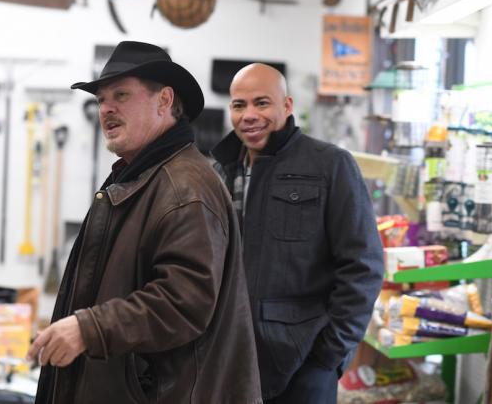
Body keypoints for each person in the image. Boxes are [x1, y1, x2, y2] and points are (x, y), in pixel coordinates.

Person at [28, 41, 262, 404]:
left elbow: (184, 302)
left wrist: (88, 330)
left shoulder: (184, 188)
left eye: (121, 95)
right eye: (101, 99)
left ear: (164, 100)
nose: (106, 108)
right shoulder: (143, 176)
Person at [212, 63, 384, 403]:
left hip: (305, 363)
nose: (249, 115)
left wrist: (329, 355)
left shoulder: (330, 165)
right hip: (232, 357)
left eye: (261, 103)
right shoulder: (221, 170)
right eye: (239, 105)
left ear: (286, 106)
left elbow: (364, 265)